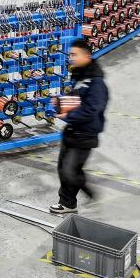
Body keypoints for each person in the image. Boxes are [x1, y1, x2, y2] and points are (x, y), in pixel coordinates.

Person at [50, 38, 109, 215]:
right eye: (71, 55)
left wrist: (68, 116)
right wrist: (60, 103)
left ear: (87, 56)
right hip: (72, 130)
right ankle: (67, 203)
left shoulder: (97, 83)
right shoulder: (80, 76)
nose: (71, 58)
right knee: (63, 169)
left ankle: (86, 195)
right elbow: (76, 100)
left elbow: (91, 109)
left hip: (86, 134)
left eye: (75, 55)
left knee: (71, 171)